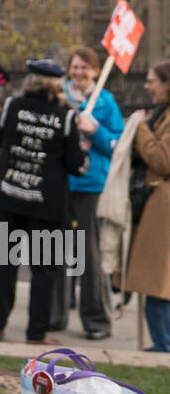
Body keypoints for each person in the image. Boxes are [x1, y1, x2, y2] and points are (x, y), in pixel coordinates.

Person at [0, 59, 86, 346]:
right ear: (55, 84)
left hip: (8, 194)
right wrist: (83, 155)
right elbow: (75, 165)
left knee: (4, 263)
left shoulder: (11, 107)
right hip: (46, 202)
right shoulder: (65, 117)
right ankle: (35, 333)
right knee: (43, 269)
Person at [50, 47, 124, 339]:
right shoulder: (58, 98)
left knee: (88, 255)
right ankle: (55, 314)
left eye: (85, 68)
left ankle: (96, 320)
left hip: (91, 186)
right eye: (75, 67)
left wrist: (95, 131)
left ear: (95, 71)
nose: (79, 73)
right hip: (61, 184)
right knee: (55, 250)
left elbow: (116, 145)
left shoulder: (106, 102)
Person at [124, 60, 170, 352]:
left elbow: (162, 159)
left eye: (152, 80)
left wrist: (140, 127)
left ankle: (163, 347)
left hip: (162, 206)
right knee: (156, 282)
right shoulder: (162, 112)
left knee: (157, 283)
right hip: (155, 203)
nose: (146, 85)